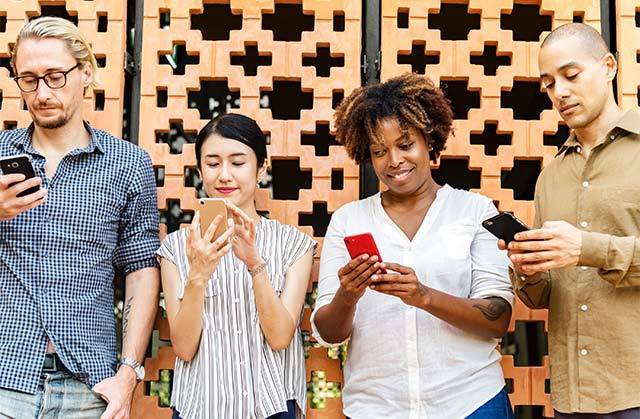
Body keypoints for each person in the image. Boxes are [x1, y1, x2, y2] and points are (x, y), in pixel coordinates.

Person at [311, 72, 515, 418]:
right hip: (377, 408)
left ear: (429, 139)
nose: (394, 161)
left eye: (405, 145)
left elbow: (498, 318)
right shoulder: (349, 220)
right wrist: (348, 295)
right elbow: (328, 334)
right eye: (379, 151)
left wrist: (423, 296)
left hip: (470, 402)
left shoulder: (473, 211)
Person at [0, 16, 160, 419]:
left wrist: (128, 374)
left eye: (55, 76)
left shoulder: (129, 164)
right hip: (5, 374)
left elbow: (141, 270)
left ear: (85, 72)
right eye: (28, 79)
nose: (41, 93)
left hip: (88, 382)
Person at [503, 23, 640, 418]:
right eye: (548, 84)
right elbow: (545, 295)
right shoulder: (551, 176)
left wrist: (587, 249)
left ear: (609, 66)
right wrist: (527, 268)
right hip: (572, 397)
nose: (559, 92)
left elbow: (586, 253)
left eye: (571, 75)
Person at [157, 113, 316, 419]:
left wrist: (256, 265)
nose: (225, 175)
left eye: (238, 162)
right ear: (201, 170)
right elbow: (184, 347)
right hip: (199, 407)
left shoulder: (292, 244)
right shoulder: (177, 248)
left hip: (273, 405)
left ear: (261, 168)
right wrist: (198, 277)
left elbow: (281, 337)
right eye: (213, 163)